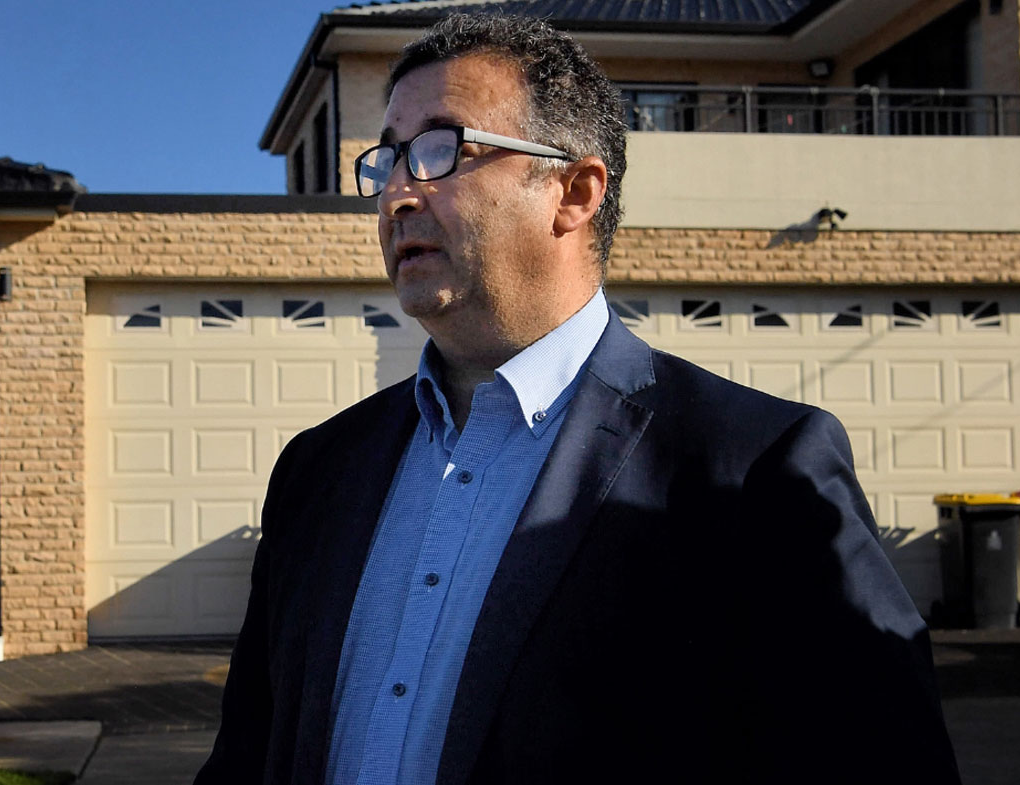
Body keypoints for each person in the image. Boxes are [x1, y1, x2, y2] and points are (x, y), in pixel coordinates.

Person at [197, 13, 960, 785]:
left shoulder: (752, 471)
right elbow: (244, 757)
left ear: (574, 191)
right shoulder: (318, 471)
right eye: (389, 159)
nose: (396, 194)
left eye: (439, 150)